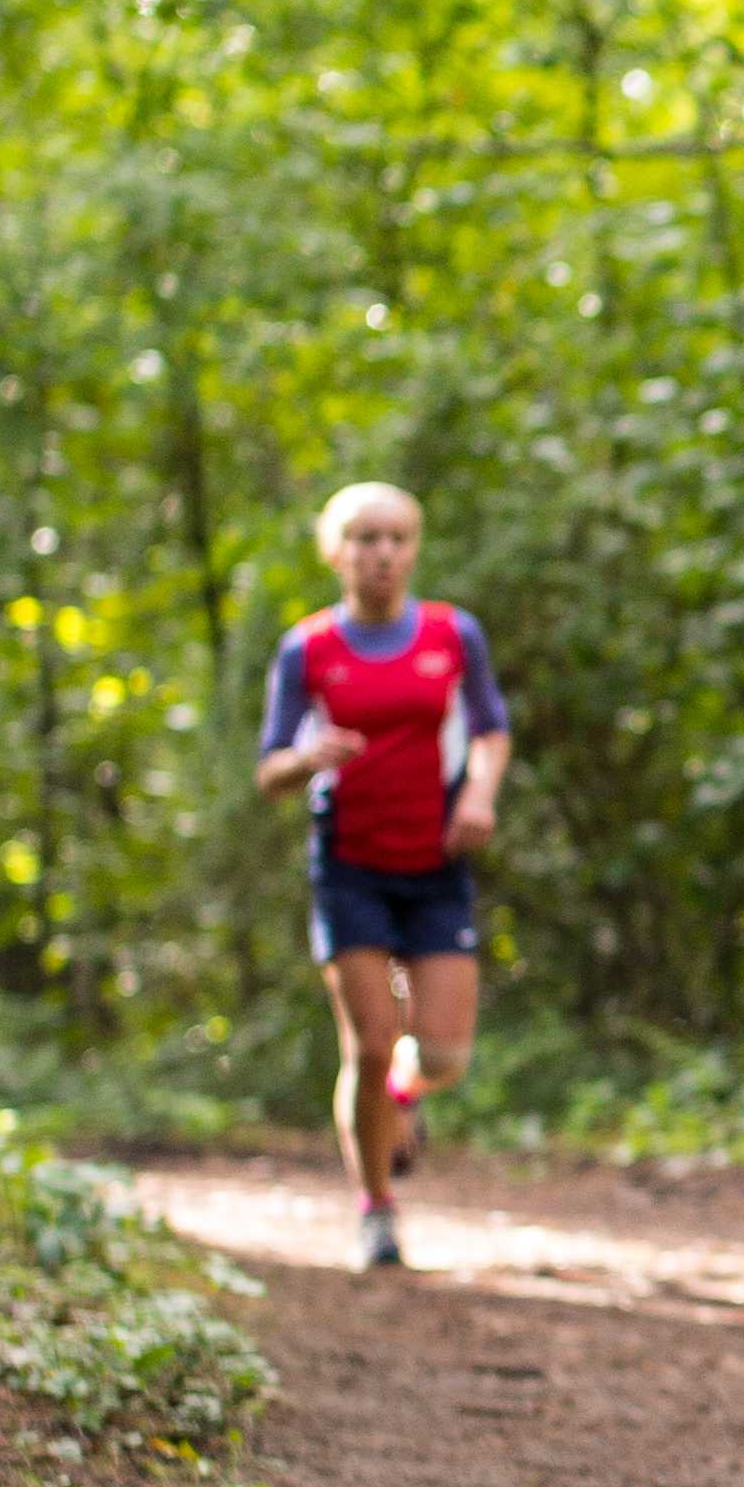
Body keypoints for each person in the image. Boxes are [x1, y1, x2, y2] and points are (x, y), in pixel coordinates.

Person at [257, 482, 510, 1269]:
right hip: (350, 866)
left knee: (441, 1057)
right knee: (369, 1045)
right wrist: (307, 757)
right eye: (365, 539)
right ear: (336, 553)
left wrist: (477, 795)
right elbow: (269, 770)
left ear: (415, 549)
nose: (383, 554)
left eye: (397, 538)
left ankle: (405, 1098)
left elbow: (492, 730)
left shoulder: (451, 633)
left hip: (436, 862)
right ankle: (376, 1209)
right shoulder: (309, 649)